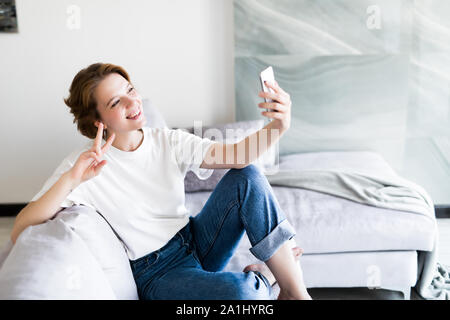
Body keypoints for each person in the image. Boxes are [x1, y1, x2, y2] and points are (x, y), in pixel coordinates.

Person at [10, 63, 311, 300]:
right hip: (156, 273)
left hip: (195, 241)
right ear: (96, 121)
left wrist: (278, 126)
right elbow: (21, 227)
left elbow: (236, 155)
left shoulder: (165, 141)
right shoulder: (85, 165)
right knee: (241, 294)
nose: (133, 101)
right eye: (117, 101)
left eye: (131, 89)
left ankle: (295, 293)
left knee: (247, 175)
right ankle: (265, 278)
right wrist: (73, 177)